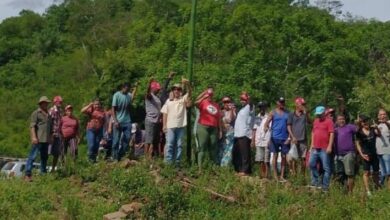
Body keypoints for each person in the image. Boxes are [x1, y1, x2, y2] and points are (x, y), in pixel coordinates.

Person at [161, 78, 192, 166]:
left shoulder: (183, 99)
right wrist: (164, 125)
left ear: (180, 91)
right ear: (172, 91)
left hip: (181, 126)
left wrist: (188, 84)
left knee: (179, 145)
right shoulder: (168, 101)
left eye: (178, 89)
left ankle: (177, 163)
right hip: (170, 126)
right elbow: (165, 113)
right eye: (175, 89)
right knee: (170, 144)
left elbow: (190, 92)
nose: (176, 91)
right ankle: (168, 163)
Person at [25, 96, 52, 181]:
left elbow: (50, 128)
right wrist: (33, 137)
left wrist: (50, 137)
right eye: (45, 103)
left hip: (46, 140)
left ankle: (43, 174)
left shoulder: (49, 114)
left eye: (47, 103)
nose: (46, 104)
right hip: (38, 139)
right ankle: (28, 174)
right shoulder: (36, 113)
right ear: (41, 103)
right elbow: (32, 126)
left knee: (44, 157)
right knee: (32, 156)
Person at [195, 87, 222, 169]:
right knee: (202, 146)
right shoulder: (203, 102)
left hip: (214, 128)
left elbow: (218, 118)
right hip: (203, 126)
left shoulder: (216, 105)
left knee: (213, 146)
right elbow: (195, 102)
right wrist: (203, 95)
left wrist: (220, 130)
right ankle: (200, 168)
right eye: (209, 94)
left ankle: (213, 166)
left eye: (211, 95)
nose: (210, 96)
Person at [309, 106, 334, 192]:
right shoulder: (315, 121)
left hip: (324, 148)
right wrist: (311, 145)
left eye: (320, 114)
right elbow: (313, 133)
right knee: (311, 164)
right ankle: (316, 182)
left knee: (326, 168)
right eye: (317, 114)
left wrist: (329, 146)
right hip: (315, 148)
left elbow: (331, 134)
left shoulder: (329, 122)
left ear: (324, 113)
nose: (318, 116)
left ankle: (325, 187)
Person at [264, 97, 289, 182]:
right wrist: (266, 128)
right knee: (275, 155)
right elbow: (266, 123)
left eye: (283, 102)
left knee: (284, 156)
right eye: (280, 102)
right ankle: (275, 176)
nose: (282, 103)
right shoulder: (273, 112)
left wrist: (289, 137)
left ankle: (282, 175)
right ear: (277, 102)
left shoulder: (287, 113)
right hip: (274, 137)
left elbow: (290, 125)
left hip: (284, 137)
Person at [112, 82, 138, 161]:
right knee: (116, 140)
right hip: (118, 121)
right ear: (123, 87)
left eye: (129, 89)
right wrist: (115, 121)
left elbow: (132, 97)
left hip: (127, 121)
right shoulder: (116, 95)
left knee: (127, 139)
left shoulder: (128, 95)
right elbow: (113, 109)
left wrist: (136, 88)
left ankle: (120, 155)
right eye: (126, 89)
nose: (127, 90)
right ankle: (114, 157)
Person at [356, 115, 381, 196]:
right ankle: (368, 191)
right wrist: (361, 154)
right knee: (366, 172)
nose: (365, 123)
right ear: (361, 123)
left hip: (374, 154)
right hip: (365, 155)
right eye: (363, 122)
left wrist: (377, 127)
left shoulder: (373, 129)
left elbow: (379, 134)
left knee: (376, 172)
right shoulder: (359, 132)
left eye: (366, 121)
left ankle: (377, 188)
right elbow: (357, 143)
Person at [333, 114, 357, 193]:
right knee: (339, 174)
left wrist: (359, 122)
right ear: (336, 121)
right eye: (339, 119)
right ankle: (343, 191)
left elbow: (358, 129)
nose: (341, 120)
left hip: (348, 153)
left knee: (349, 174)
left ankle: (350, 192)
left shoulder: (350, 127)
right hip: (338, 155)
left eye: (343, 119)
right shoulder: (335, 130)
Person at [233, 92, 255, 176]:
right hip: (238, 134)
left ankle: (246, 170)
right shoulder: (242, 109)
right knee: (238, 153)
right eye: (241, 99)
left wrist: (248, 98)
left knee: (245, 153)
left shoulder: (250, 107)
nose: (242, 101)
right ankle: (240, 169)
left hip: (245, 133)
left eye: (244, 99)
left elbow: (251, 103)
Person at [287, 97, 310, 176]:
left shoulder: (304, 114)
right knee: (294, 158)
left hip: (303, 139)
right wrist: (292, 137)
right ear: (297, 105)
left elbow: (310, 122)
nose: (303, 106)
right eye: (302, 104)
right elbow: (289, 126)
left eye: (304, 104)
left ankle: (303, 176)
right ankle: (294, 175)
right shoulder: (291, 114)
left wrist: (306, 114)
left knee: (303, 159)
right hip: (294, 139)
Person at [81, 98, 105, 163]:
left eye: (98, 104)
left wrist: (103, 134)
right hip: (91, 130)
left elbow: (104, 122)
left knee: (96, 146)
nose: (97, 106)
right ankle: (90, 159)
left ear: (100, 105)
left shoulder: (102, 111)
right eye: (95, 104)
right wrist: (90, 105)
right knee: (91, 145)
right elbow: (82, 111)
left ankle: (93, 160)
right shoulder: (91, 110)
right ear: (93, 104)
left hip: (99, 130)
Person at [252, 101, 271, 178]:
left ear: (266, 108)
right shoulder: (257, 117)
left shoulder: (269, 117)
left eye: (263, 107)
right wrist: (253, 140)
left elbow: (272, 129)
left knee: (266, 160)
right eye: (260, 107)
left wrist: (270, 140)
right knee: (260, 159)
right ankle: (261, 174)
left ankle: (267, 175)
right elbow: (254, 129)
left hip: (267, 140)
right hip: (259, 140)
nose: (262, 109)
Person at [145, 79, 162, 160]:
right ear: (153, 88)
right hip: (150, 120)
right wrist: (149, 83)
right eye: (157, 88)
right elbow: (147, 93)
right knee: (149, 140)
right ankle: (146, 158)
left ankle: (151, 156)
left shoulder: (157, 97)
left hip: (157, 121)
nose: (158, 89)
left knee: (155, 140)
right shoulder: (150, 96)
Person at [220, 97, 236, 166]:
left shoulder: (233, 111)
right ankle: (220, 165)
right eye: (225, 102)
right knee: (222, 149)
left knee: (229, 150)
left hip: (230, 133)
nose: (226, 103)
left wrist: (232, 110)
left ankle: (226, 166)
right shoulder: (221, 111)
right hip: (223, 133)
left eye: (228, 102)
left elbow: (232, 119)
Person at [48, 96, 63, 172]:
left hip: (58, 134)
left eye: (61, 102)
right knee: (48, 152)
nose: (60, 103)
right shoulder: (52, 110)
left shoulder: (60, 111)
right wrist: (50, 133)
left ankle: (53, 169)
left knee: (56, 153)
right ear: (55, 102)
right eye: (59, 102)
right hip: (52, 134)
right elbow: (49, 122)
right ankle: (43, 168)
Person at [376, 109, 390, 188]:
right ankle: (383, 188)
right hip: (379, 152)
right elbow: (378, 134)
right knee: (383, 172)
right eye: (381, 114)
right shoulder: (378, 125)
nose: (383, 116)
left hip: (387, 151)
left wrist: (386, 123)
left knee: (389, 171)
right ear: (378, 116)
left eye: (384, 114)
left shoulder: (389, 123)